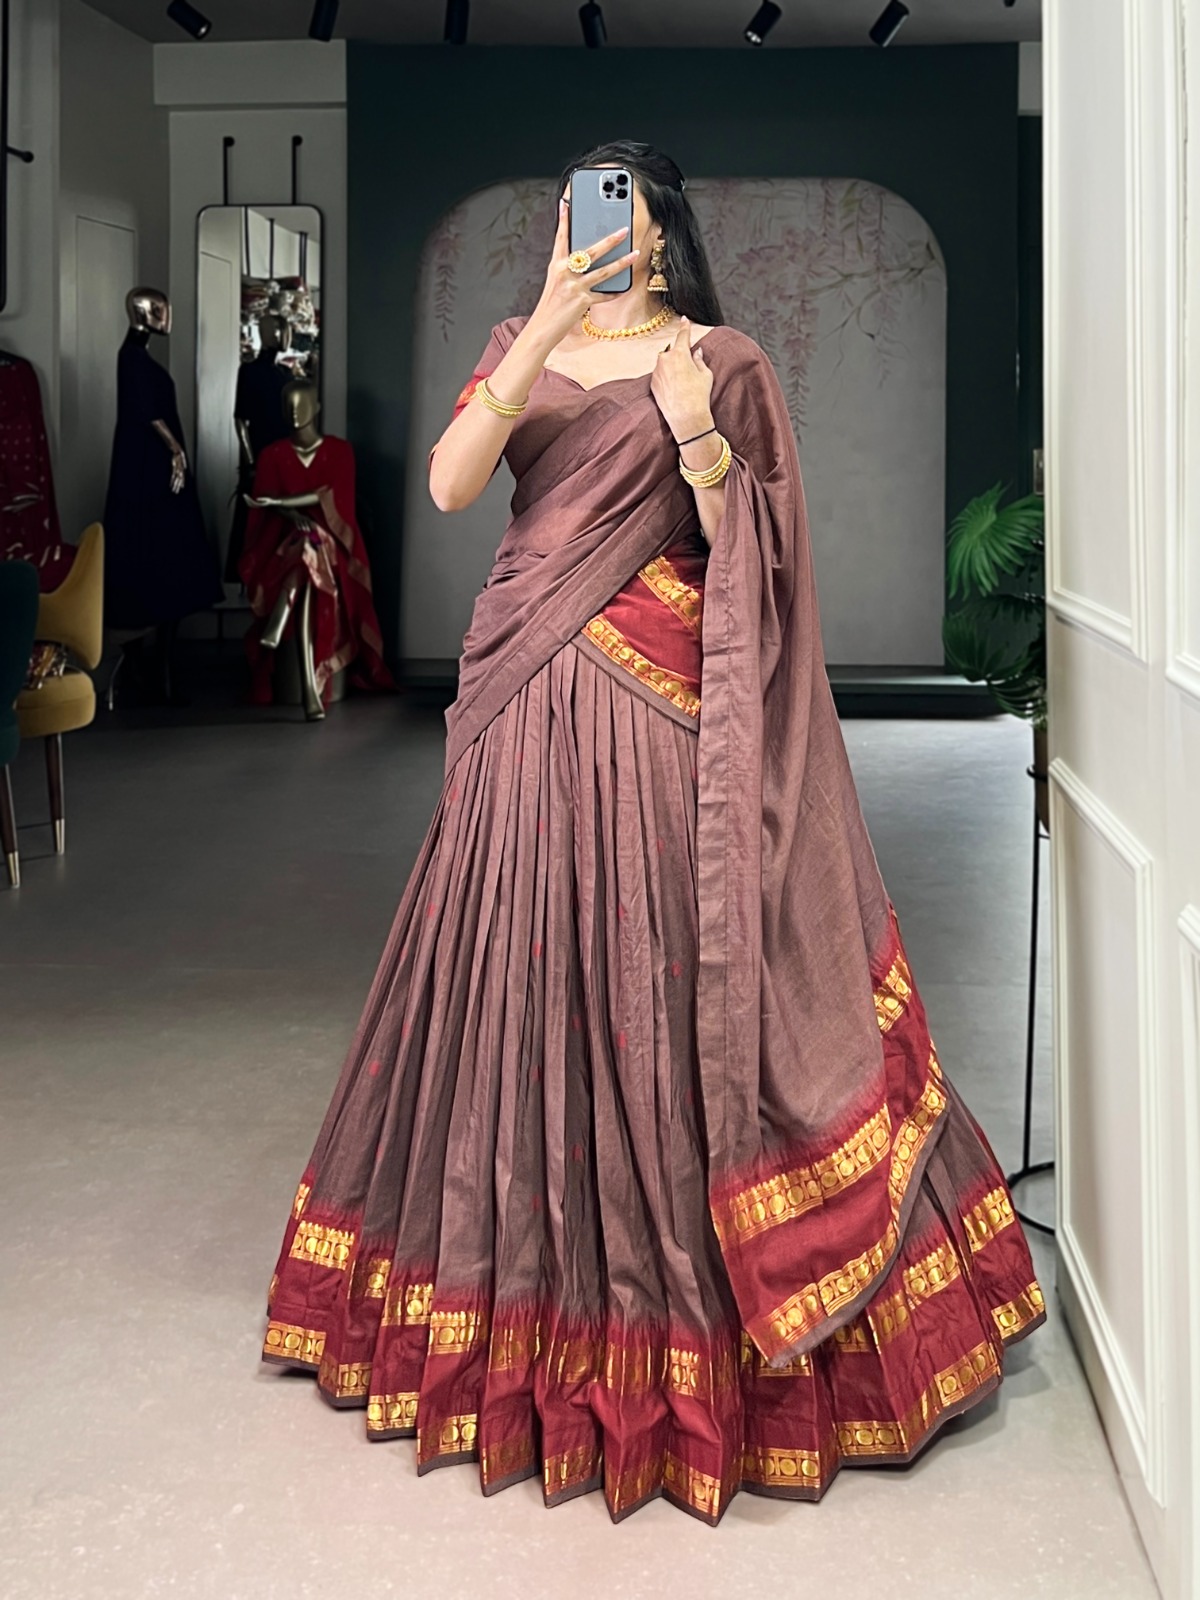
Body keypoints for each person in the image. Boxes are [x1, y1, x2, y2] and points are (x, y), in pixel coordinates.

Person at [261, 140, 1043, 1525]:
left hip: (658, 716)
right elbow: (451, 485)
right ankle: (521, 1313)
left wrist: (693, 429)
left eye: (613, 205)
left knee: (661, 979)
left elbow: (762, 552)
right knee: (515, 988)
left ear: (662, 229)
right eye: (572, 205)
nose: (590, 224)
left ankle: (699, 1317)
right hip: (520, 715)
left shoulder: (720, 359)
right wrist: (545, 327)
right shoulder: (525, 342)